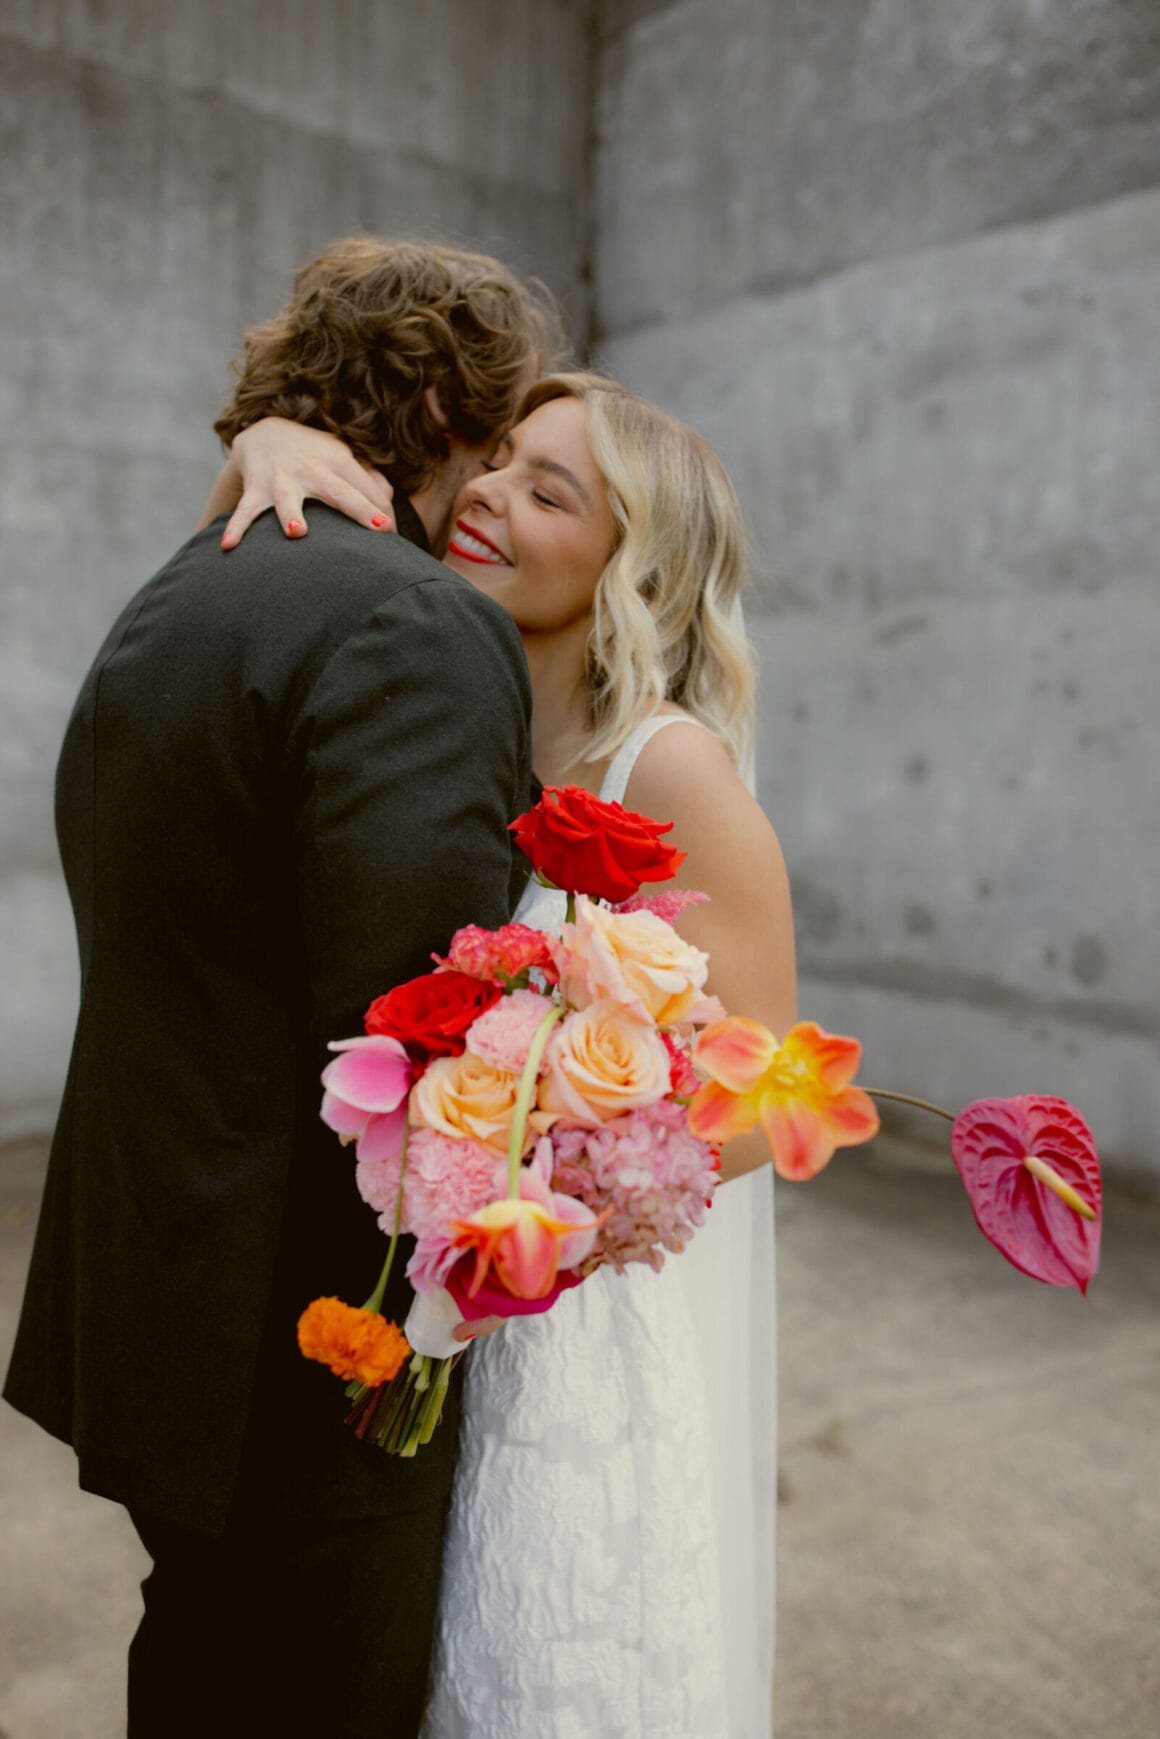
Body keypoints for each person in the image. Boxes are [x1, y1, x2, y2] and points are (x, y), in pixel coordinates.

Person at [2, 235, 560, 1738]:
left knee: (199, 1657)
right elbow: (424, 1012)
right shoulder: (414, 620)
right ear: (441, 402)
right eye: (496, 429)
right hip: (301, 1328)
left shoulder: (191, 580)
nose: (493, 473)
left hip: (161, 1278)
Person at [215, 372, 797, 1737]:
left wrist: (545, 1169)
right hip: (455, 1305)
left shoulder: (670, 770)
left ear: (631, 564)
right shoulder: (471, 716)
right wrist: (266, 440)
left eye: (549, 491)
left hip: (571, 1326)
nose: (485, 494)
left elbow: (774, 1089)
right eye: (497, 462)